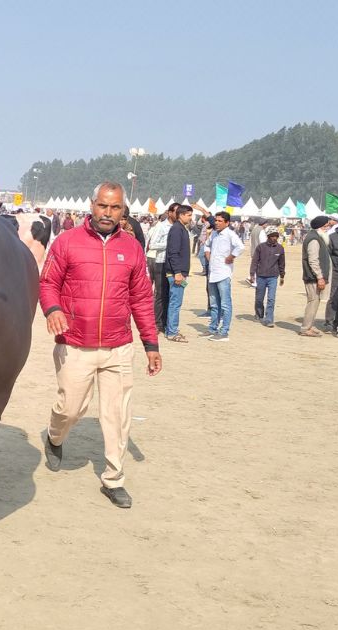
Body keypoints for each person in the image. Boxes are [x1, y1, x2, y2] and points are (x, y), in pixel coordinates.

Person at [39, 182, 162, 509]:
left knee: (117, 413)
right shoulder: (67, 242)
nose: (108, 213)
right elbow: (48, 283)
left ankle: (114, 478)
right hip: (75, 343)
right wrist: (53, 310)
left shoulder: (133, 249)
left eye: (115, 207)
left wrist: (151, 343)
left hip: (118, 346)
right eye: (103, 206)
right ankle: (54, 437)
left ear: (123, 211)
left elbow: (141, 299)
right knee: (71, 409)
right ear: (92, 205)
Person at [202, 211, 243, 341]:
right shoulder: (214, 234)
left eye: (220, 221)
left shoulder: (230, 234)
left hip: (224, 273)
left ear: (227, 222)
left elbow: (240, 247)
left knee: (225, 304)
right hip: (213, 272)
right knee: (214, 304)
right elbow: (206, 245)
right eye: (216, 220)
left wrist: (231, 256)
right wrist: (207, 254)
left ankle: (224, 331)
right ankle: (212, 328)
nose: (217, 223)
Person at [163, 204, 194, 342]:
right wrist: (177, 272)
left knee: (175, 302)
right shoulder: (176, 229)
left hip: (179, 271)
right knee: (175, 303)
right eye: (189, 215)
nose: (190, 218)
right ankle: (172, 332)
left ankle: (172, 328)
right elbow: (173, 253)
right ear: (181, 215)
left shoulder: (182, 229)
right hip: (176, 272)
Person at [300, 216, 333, 337]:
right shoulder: (314, 239)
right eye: (325, 226)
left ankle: (310, 325)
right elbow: (313, 260)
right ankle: (305, 328)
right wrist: (319, 277)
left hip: (316, 277)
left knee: (316, 301)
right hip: (313, 277)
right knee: (313, 301)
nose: (327, 228)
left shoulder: (319, 237)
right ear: (320, 227)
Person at [145, 204, 176, 331]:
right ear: (169, 213)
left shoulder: (177, 227)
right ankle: (156, 323)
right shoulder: (161, 227)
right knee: (159, 293)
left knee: (167, 293)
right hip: (159, 261)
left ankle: (164, 321)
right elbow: (152, 244)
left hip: (170, 263)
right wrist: (169, 244)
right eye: (176, 212)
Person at [249, 226, 285, 327]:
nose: (274, 238)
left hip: (273, 277)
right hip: (261, 276)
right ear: (268, 236)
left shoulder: (280, 248)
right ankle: (259, 314)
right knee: (259, 298)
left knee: (271, 299)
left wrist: (282, 276)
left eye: (276, 236)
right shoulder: (261, 247)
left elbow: (282, 264)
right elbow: (255, 261)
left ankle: (269, 319)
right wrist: (252, 274)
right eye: (272, 236)